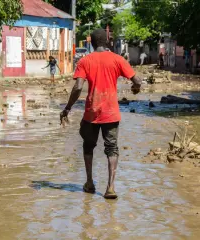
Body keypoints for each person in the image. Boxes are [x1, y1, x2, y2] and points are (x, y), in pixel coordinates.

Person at [60, 29, 142, 199]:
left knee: (88, 146)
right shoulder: (118, 59)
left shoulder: (85, 61)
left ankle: (89, 183)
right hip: (111, 113)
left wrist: (67, 108)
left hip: (91, 112)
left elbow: (77, 87)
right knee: (112, 148)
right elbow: (137, 81)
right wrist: (136, 88)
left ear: (91, 43)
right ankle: (110, 188)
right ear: (107, 42)